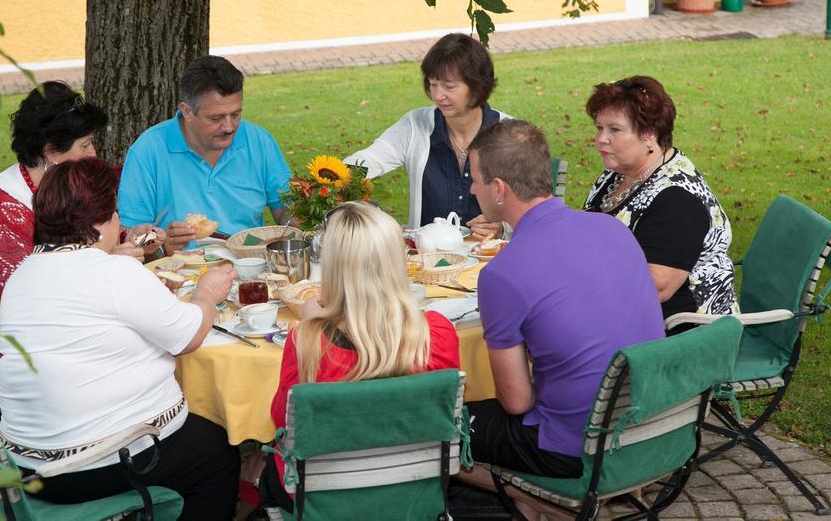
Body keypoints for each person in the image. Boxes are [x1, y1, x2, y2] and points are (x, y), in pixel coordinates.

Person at [0, 157, 240, 519]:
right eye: (114, 213)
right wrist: (207, 293)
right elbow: (189, 334)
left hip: (27, 466)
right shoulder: (114, 272)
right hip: (94, 463)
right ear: (97, 223)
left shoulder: (22, 275)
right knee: (217, 453)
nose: (118, 223)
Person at [461, 120, 664, 486]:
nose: (472, 187)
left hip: (574, 447)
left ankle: (532, 498)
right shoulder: (612, 228)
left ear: (499, 189)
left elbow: (516, 402)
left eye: (475, 178)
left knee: (434, 422)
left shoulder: (503, 273)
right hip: (650, 424)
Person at [0, 82, 157, 397]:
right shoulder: (2, 219)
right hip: (10, 367)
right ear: (51, 152)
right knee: (148, 355)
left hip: (60, 341)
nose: (94, 154)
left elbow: (85, 242)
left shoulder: (59, 194)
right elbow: (37, 306)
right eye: (86, 145)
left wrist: (129, 238)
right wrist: (109, 262)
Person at [261, 201, 461, 511]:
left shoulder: (308, 341)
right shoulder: (437, 333)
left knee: (259, 467)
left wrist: (309, 322)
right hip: (412, 492)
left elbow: (282, 421)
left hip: (321, 501)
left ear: (332, 268)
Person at [583, 75, 736, 319]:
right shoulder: (618, 173)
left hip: (680, 331)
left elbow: (657, 288)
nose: (601, 138)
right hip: (619, 308)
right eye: (599, 128)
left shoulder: (677, 199)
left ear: (649, 134)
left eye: (615, 129)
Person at [344, 33, 510, 236]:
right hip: (427, 262)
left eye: (449, 86)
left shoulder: (509, 133)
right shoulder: (415, 125)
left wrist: (503, 228)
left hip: (492, 259)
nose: (438, 96)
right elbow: (371, 159)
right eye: (433, 84)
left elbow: (534, 207)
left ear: (477, 86)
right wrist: (331, 179)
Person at [118, 56, 292, 248]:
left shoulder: (259, 141)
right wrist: (160, 245)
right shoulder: (148, 151)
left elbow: (285, 211)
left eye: (235, 115)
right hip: (175, 271)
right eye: (217, 118)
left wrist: (301, 218)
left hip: (249, 266)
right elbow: (130, 237)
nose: (229, 127)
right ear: (187, 111)